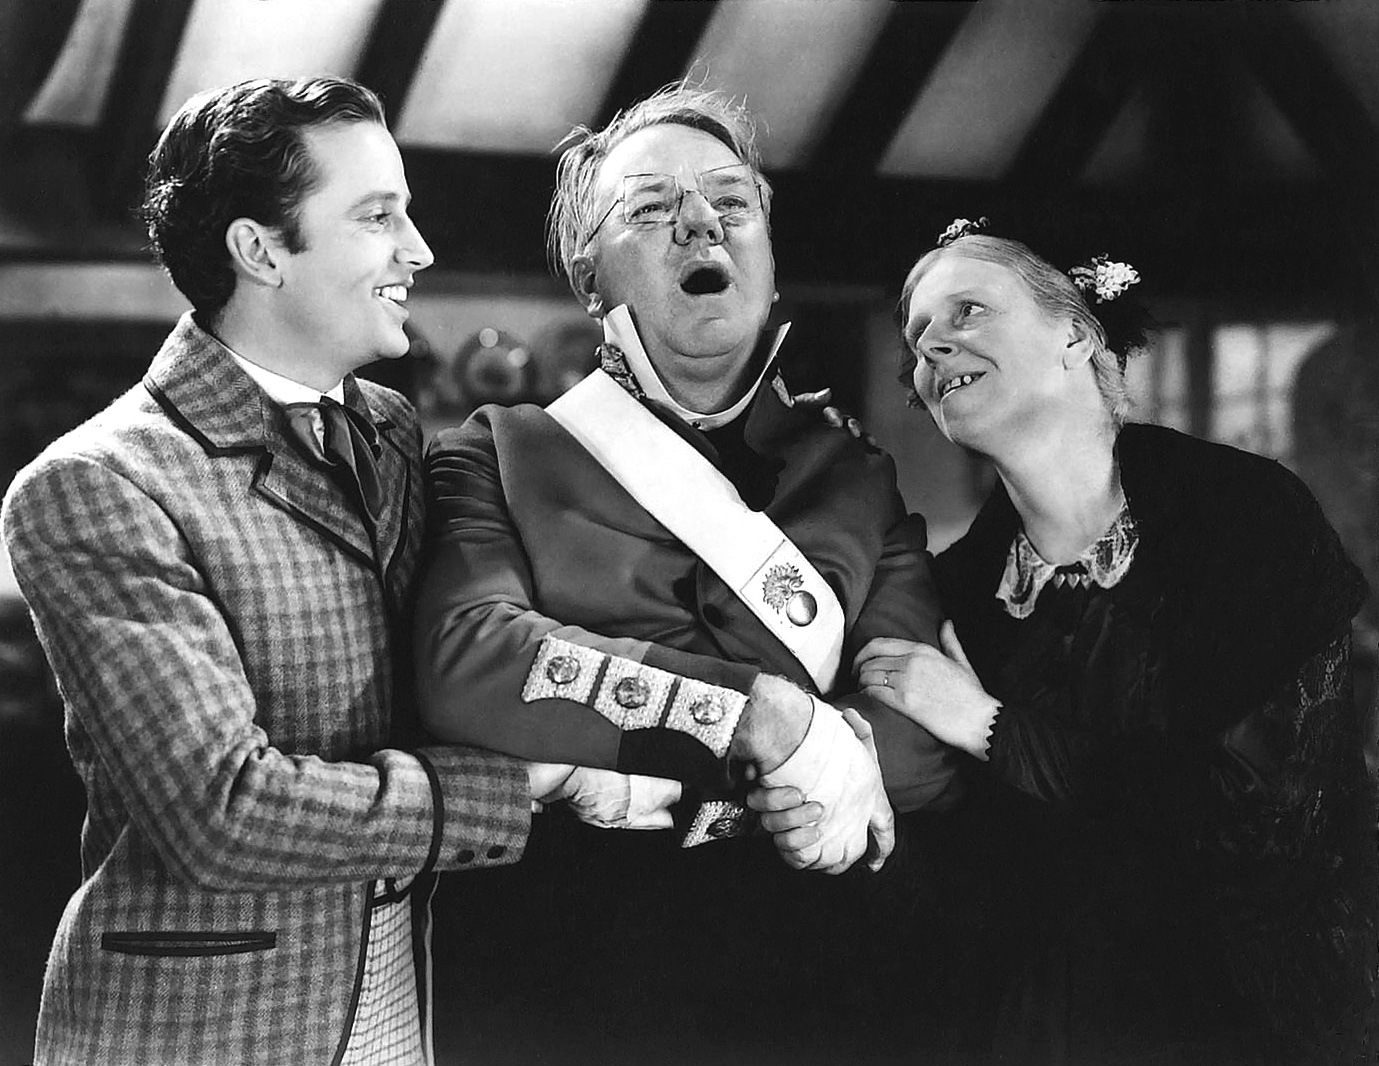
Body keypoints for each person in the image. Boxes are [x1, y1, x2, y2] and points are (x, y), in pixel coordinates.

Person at [0, 76, 624, 1066]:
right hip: (202, 1032)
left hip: (390, 1006)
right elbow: (221, 814)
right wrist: (519, 781)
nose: (418, 250)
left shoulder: (387, 429)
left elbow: (450, 659)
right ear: (260, 251)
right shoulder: (97, 484)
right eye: (377, 217)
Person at [412, 82, 958, 1064]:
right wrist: (757, 718)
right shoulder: (497, 452)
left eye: (730, 200)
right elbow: (468, 660)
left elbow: (921, 725)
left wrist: (816, 775)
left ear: (768, 256)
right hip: (567, 988)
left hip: (829, 985)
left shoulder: (855, 474)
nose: (700, 221)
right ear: (591, 277)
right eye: (650, 207)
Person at [848, 218, 1378, 1064]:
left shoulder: (1239, 513)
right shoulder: (956, 593)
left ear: (1076, 335)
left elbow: (1256, 816)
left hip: (1253, 1020)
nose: (930, 346)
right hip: (1047, 1026)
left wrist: (989, 727)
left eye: (967, 310)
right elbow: (972, 871)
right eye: (917, 339)